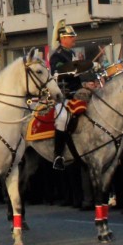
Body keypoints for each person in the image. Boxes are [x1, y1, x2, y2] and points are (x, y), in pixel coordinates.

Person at [49, 20, 86, 170]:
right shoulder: (56, 56)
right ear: (63, 38)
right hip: (63, 94)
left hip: (76, 93)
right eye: (71, 37)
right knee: (62, 118)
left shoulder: (71, 54)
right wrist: (76, 68)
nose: (74, 39)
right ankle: (58, 155)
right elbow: (60, 72)